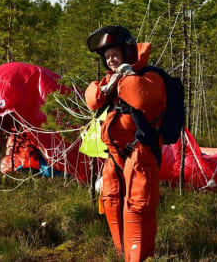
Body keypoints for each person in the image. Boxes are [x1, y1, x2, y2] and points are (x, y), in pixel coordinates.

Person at [85, 25, 166, 262]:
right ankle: (122, 254)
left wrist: (126, 75)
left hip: (141, 154)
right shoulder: (112, 82)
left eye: (115, 54)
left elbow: (141, 97)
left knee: (138, 207)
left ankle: (138, 258)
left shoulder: (150, 77)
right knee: (111, 200)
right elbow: (93, 99)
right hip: (115, 156)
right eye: (107, 56)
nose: (111, 59)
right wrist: (113, 81)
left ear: (127, 53)